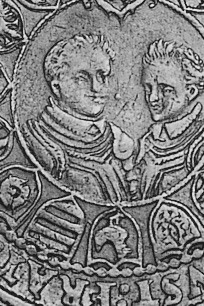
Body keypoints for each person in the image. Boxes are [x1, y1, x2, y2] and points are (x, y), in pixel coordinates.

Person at [23, 34, 134, 203]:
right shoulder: (37, 140)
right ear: (57, 87)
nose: (96, 88)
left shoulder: (120, 140)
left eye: (102, 76)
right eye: (82, 78)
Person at [128, 39, 204, 200]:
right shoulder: (147, 141)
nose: (153, 98)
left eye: (166, 90)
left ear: (191, 91)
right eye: (148, 88)